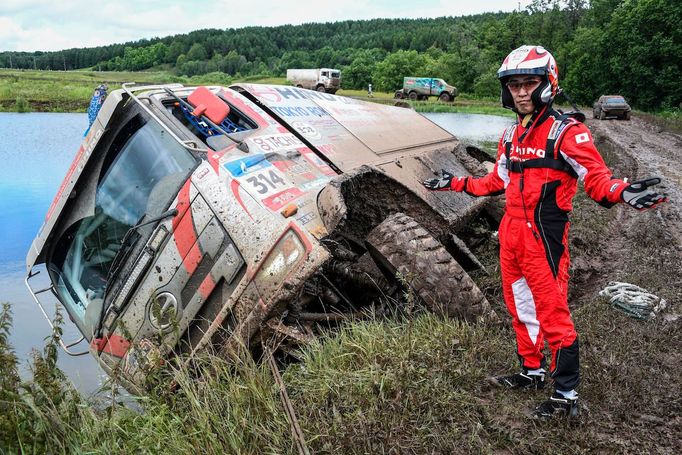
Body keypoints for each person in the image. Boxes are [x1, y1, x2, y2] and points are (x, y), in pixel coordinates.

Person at [422, 45, 668, 419]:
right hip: (511, 236)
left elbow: (596, 180)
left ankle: (566, 395)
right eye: (514, 84)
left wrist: (622, 191)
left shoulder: (568, 133)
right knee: (520, 307)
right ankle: (532, 371)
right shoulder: (510, 136)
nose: (521, 91)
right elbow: (494, 182)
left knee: (553, 314)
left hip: (544, 238)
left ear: (547, 84)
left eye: (529, 83)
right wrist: (453, 181)